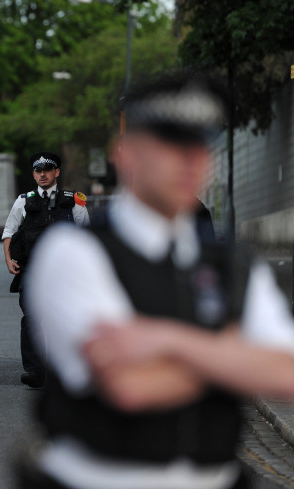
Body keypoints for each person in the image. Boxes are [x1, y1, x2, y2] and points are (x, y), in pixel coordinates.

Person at [19, 73, 294, 489]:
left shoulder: (233, 262)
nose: (189, 160)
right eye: (170, 143)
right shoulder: (74, 252)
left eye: (200, 145)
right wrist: (236, 354)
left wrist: (168, 342)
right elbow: (129, 385)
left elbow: (285, 373)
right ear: (125, 154)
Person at [2, 152, 89, 388]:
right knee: (31, 318)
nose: (43, 174)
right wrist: (9, 260)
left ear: (56, 172)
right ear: (33, 174)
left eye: (47, 170)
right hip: (31, 271)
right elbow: (9, 232)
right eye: (38, 171)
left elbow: (87, 238)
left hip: (66, 275)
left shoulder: (74, 202)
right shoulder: (23, 201)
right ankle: (34, 370)